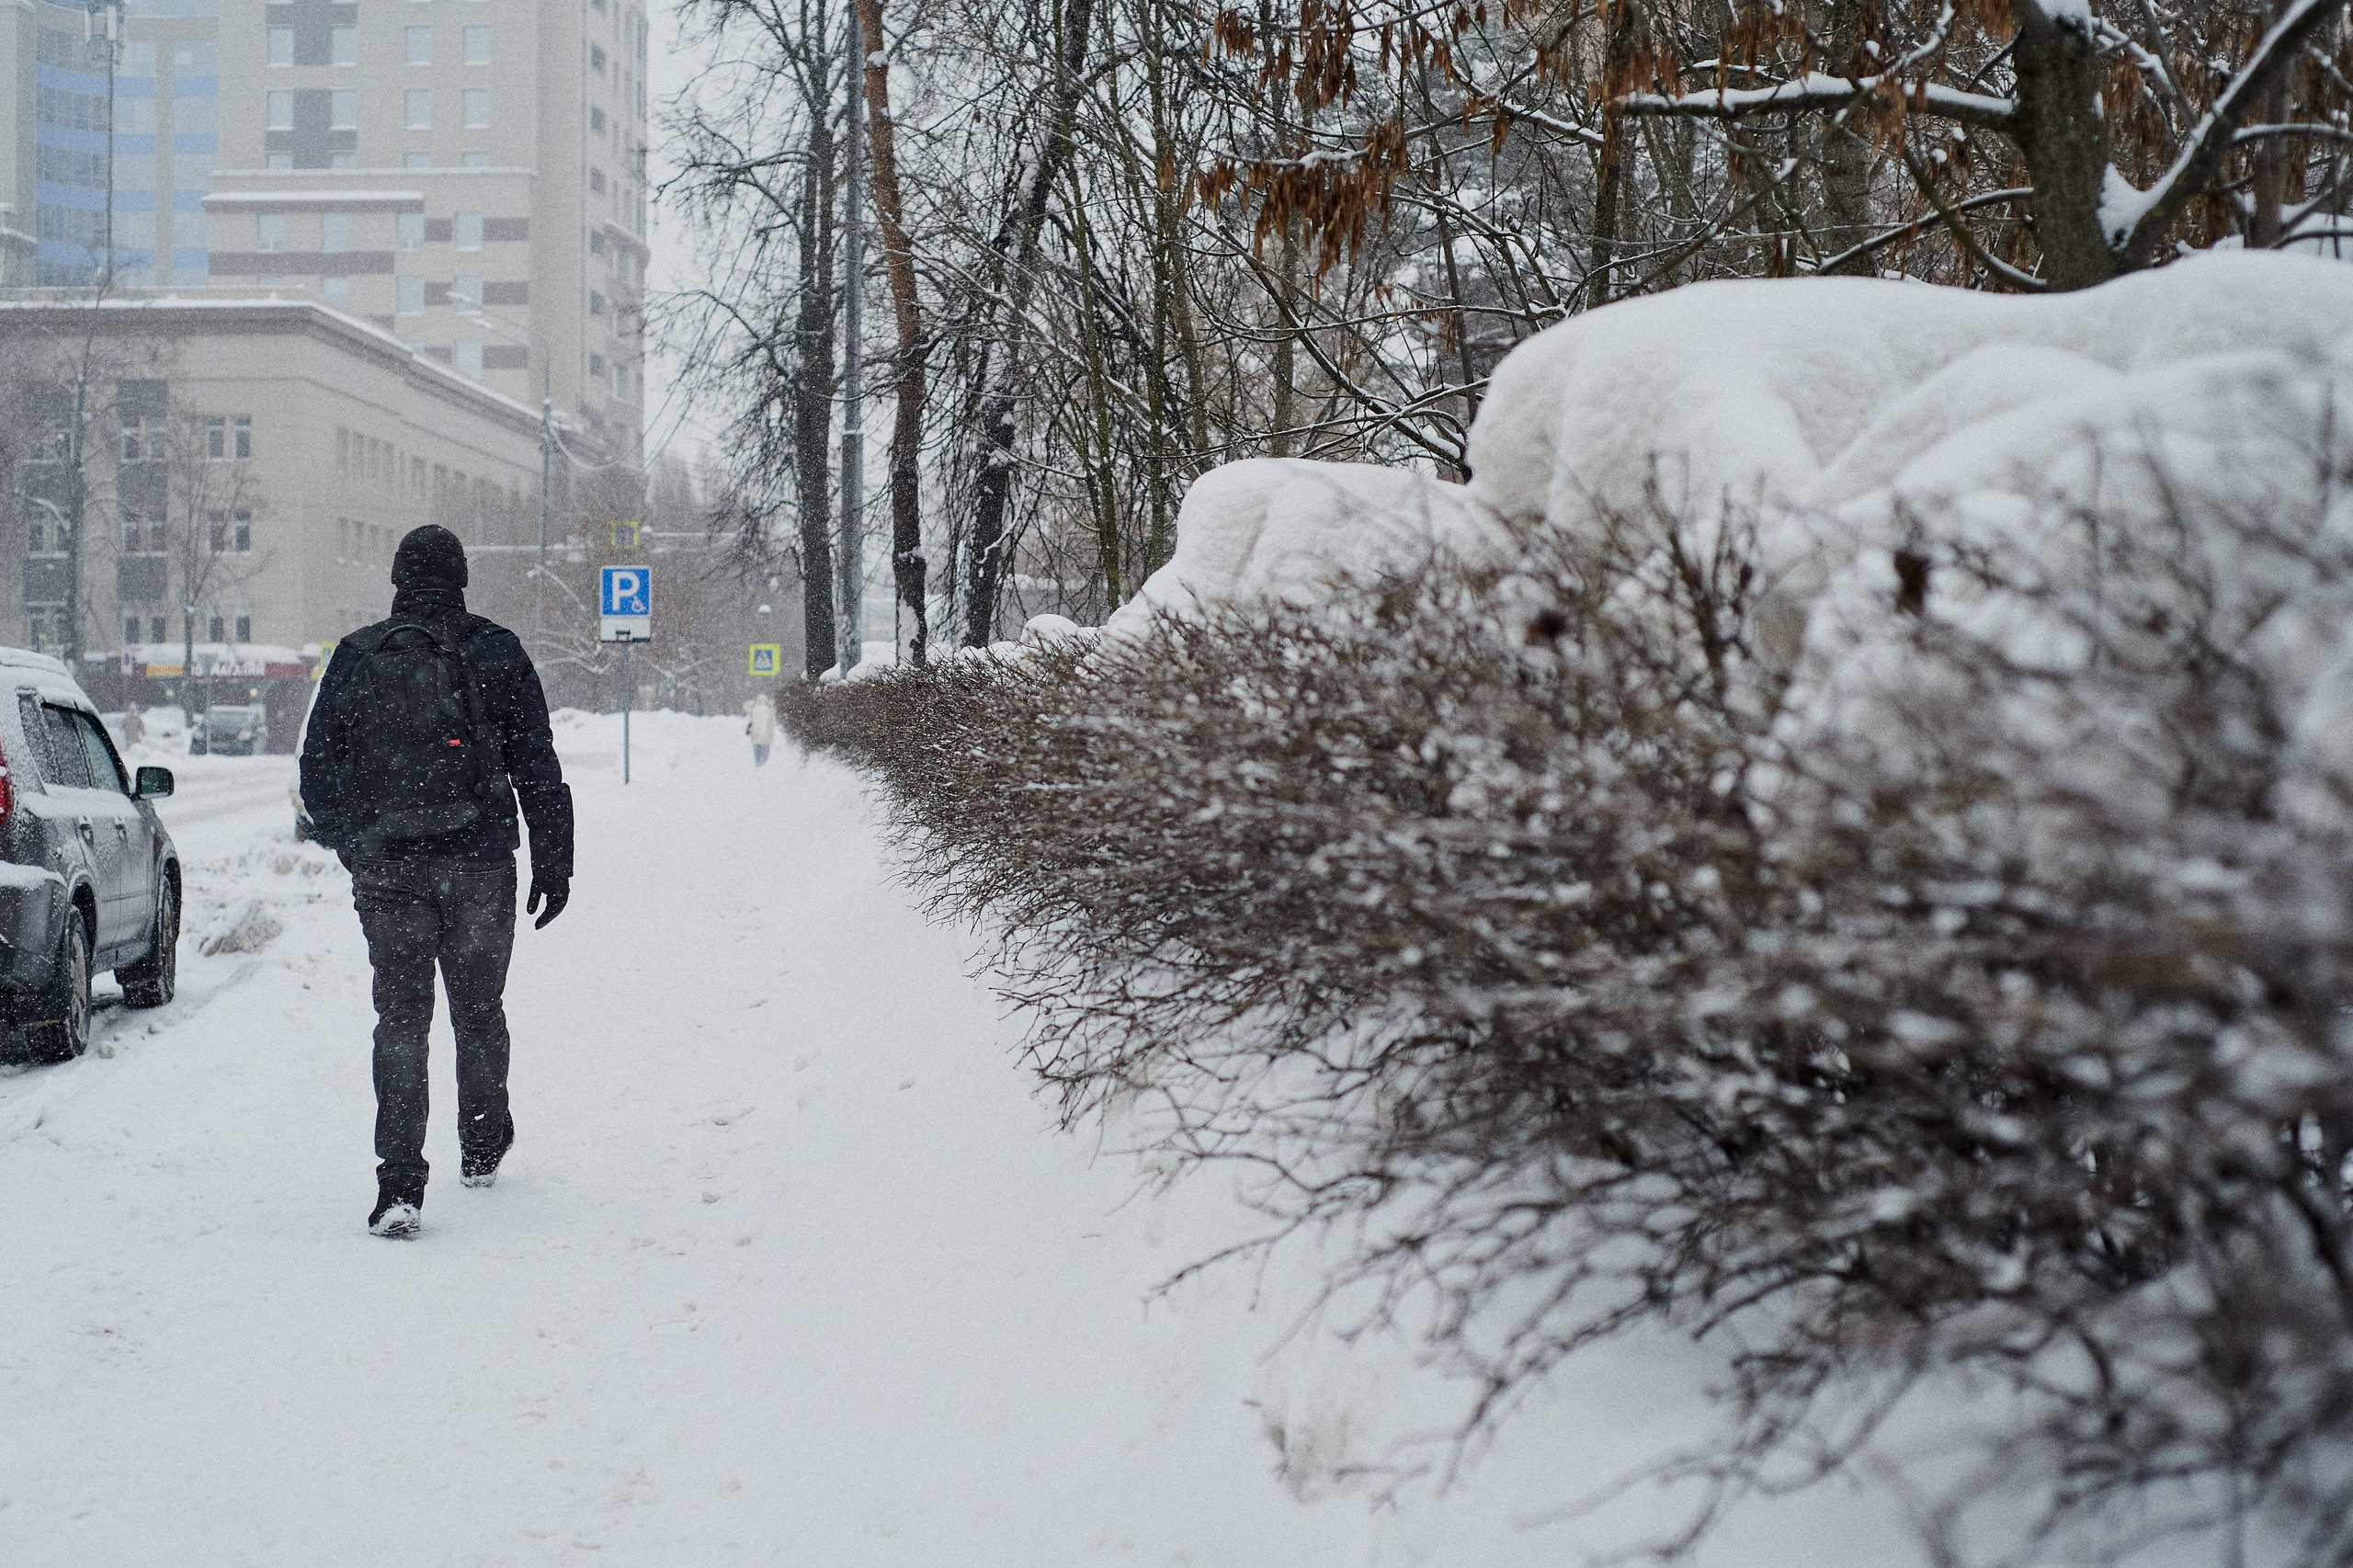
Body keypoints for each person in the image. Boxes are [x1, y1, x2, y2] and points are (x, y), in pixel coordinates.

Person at [299, 525, 574, 1238]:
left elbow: (317, 769)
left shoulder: (359, 655)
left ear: (396, 580)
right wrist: (554, 860)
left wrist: (355, 844)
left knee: (401, 1019)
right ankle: (482, 1143)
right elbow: (537, 764)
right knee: (478, 1010)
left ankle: (399, 1184)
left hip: (389, 867)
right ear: (462, 579)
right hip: (480, 860)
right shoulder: (496, 648)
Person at [745, 690, 775, 767]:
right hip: (766, 738)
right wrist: (769, 703)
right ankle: (761, 769)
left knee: (757, 757)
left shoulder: (753, 709)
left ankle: (758, 768)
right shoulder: (770, 710)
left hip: (756, 737)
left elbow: (745, 706)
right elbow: (775, 705)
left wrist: (754, 703)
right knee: (764, 758)